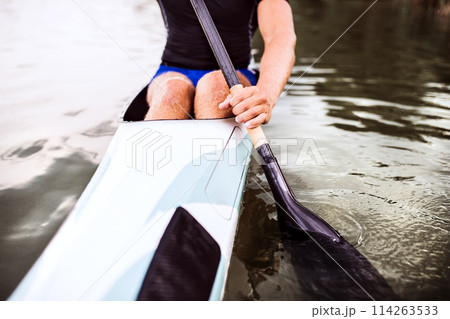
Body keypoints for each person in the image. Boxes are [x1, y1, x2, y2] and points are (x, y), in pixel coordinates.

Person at [145, 0, 296, 129]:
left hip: (236, 73)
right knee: (172, 91)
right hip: (172, 69)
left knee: (215, 87)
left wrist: (266, 93)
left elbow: (280, 35)